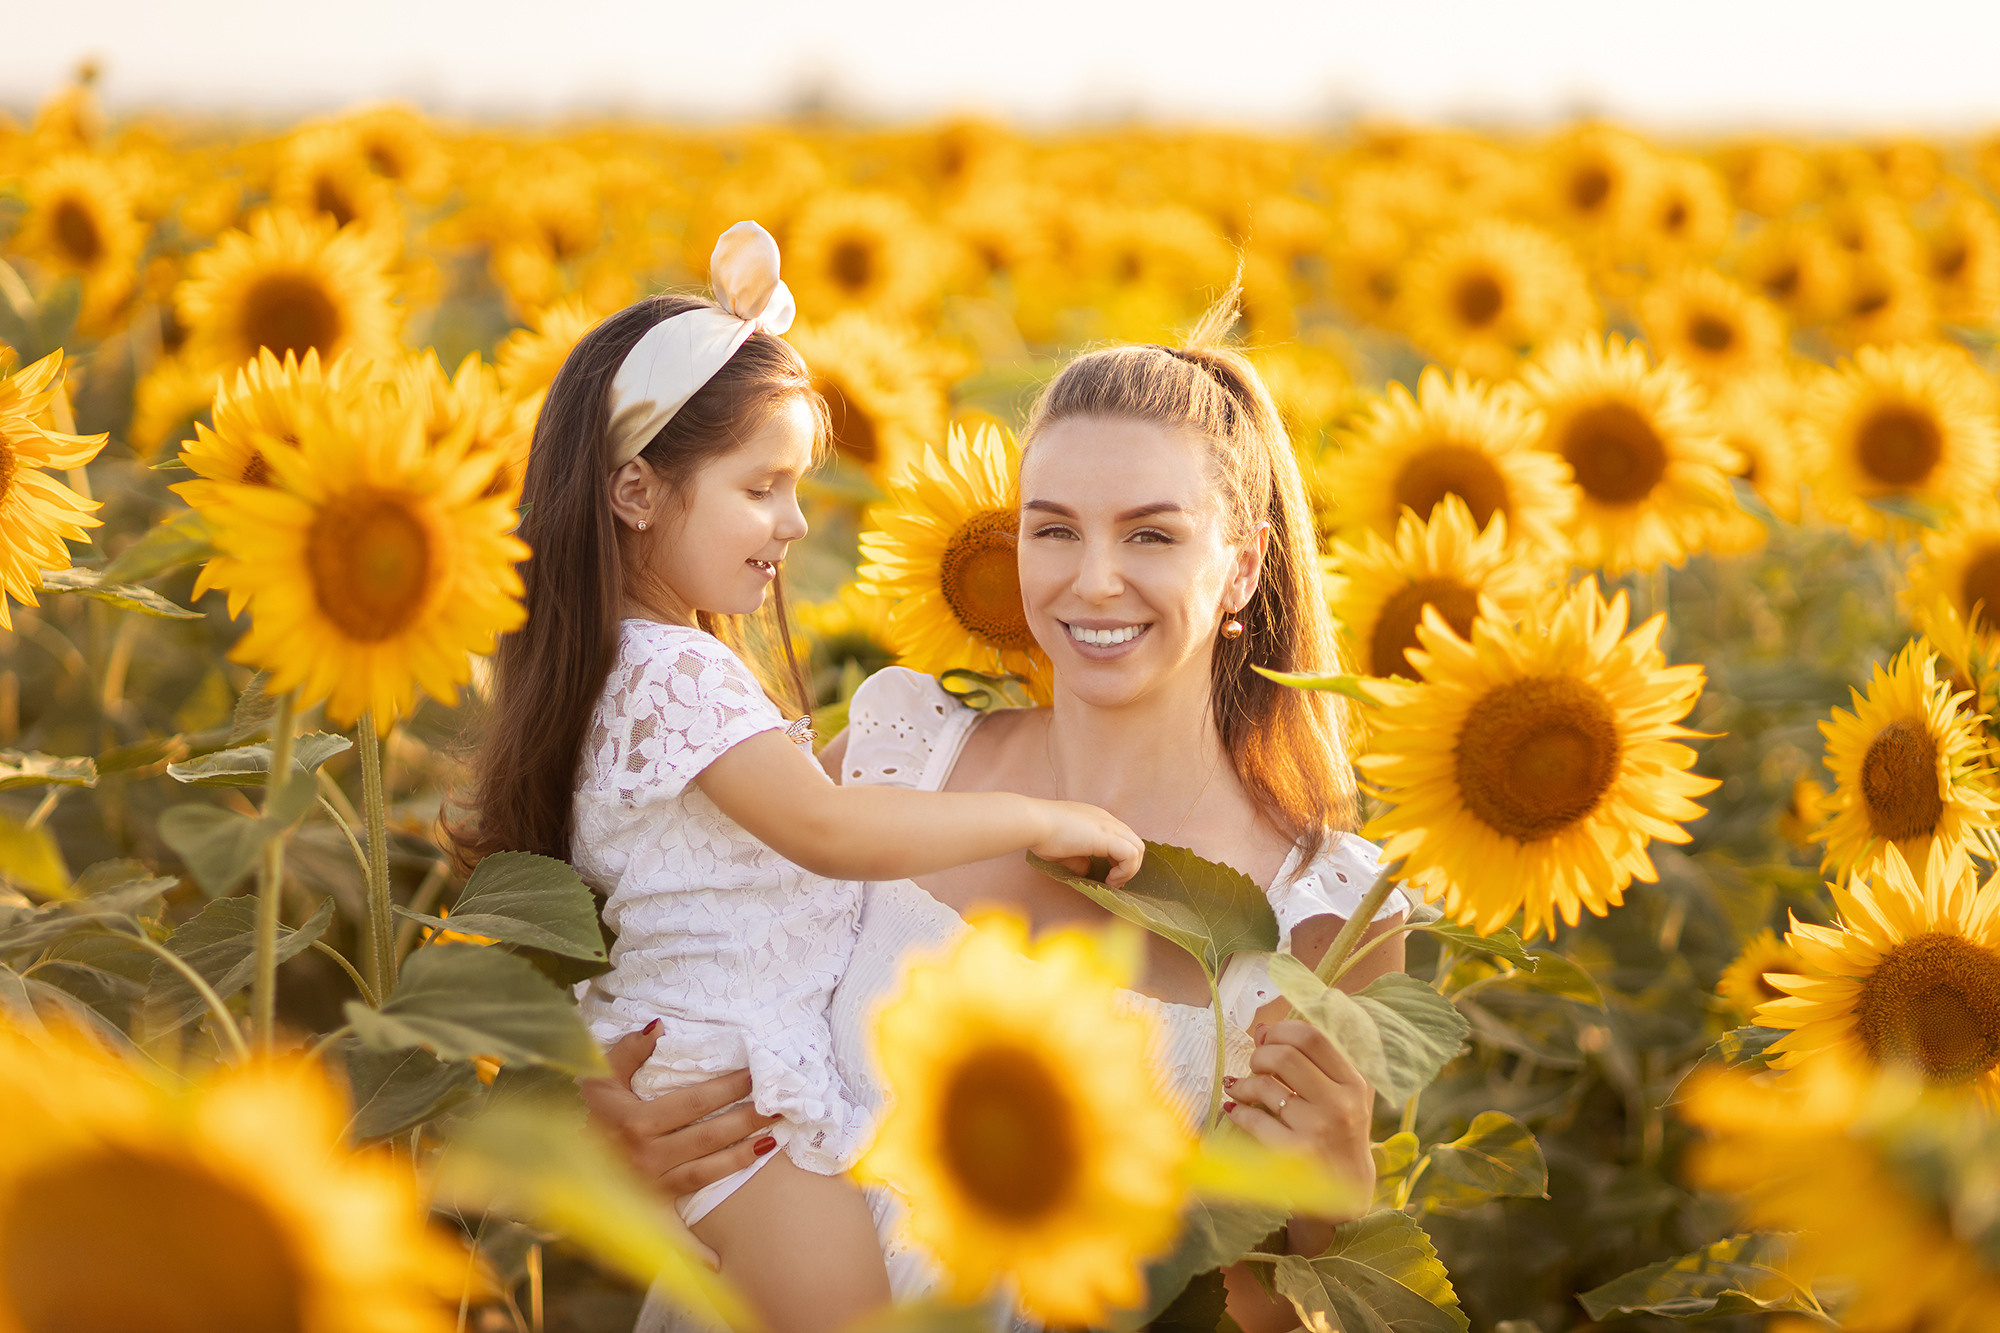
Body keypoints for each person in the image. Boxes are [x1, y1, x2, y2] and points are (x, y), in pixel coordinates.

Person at [587, 289, 1411, 1331]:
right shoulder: (898, 760)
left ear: (1242, 566)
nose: (1093, 581)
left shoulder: (1322, 916)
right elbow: (671, 939)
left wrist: (1327, 1213)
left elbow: (1235, 1307)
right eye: (1053, 529)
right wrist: (599, 1113)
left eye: (1151, 536)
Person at [453, 222, 1146, 1333]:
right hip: (737, 1092)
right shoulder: (676, 672)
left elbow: (736, 834)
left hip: (703, 1064)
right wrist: (1033, 812)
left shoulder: (620, 664)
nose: (793, 522)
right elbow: (826, 828)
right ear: (636, 491)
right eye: (762, 487)